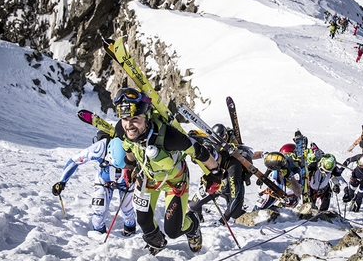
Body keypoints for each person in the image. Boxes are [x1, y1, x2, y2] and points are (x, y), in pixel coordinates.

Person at [113, 87, 221, 255]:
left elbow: (199, 151)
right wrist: (129, 167)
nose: (129, 125)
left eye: (135, 119)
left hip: (175, 182)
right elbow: (128, 146)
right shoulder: (122, 129)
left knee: (174, 230)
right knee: (143, 221)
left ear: (146, 117)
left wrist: (215, 173)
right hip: (147, 178)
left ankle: (193, 226)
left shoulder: (169, 136)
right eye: (125, 119)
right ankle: (157, 241)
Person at [52, 133, 137, 236]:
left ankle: (130, 231)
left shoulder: (135, 146)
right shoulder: (100, 148)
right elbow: (75, 160)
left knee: (127, 209)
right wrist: (62, 181)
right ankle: (98, 235)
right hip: (104, 181)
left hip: (127, 180)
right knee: (99, 211)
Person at [188, 142, 247, 226]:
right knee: (193, 206)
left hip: (229, 189)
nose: (212, 166)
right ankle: (199, 219)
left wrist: (223, 219)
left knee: (234, 214)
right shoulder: (203, 158)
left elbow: (235, 196)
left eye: (214, 163)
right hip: (214, 185)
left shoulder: (233, 166)